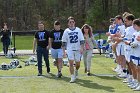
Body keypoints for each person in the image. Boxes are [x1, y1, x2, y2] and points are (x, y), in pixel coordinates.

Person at [62, 16, 85, 83]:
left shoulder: (78, 30)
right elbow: (63, 42)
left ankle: (76, 70)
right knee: (71, 63)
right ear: (68, 24)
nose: (71, 23)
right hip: (70, 49)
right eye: (70, 22)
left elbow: (82, 40)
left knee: (78, 64)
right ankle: (72, 77)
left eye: (73, 22)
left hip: (78, 49)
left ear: (74, 23)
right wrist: (64, 52)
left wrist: (81, 48)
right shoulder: (66, 31)